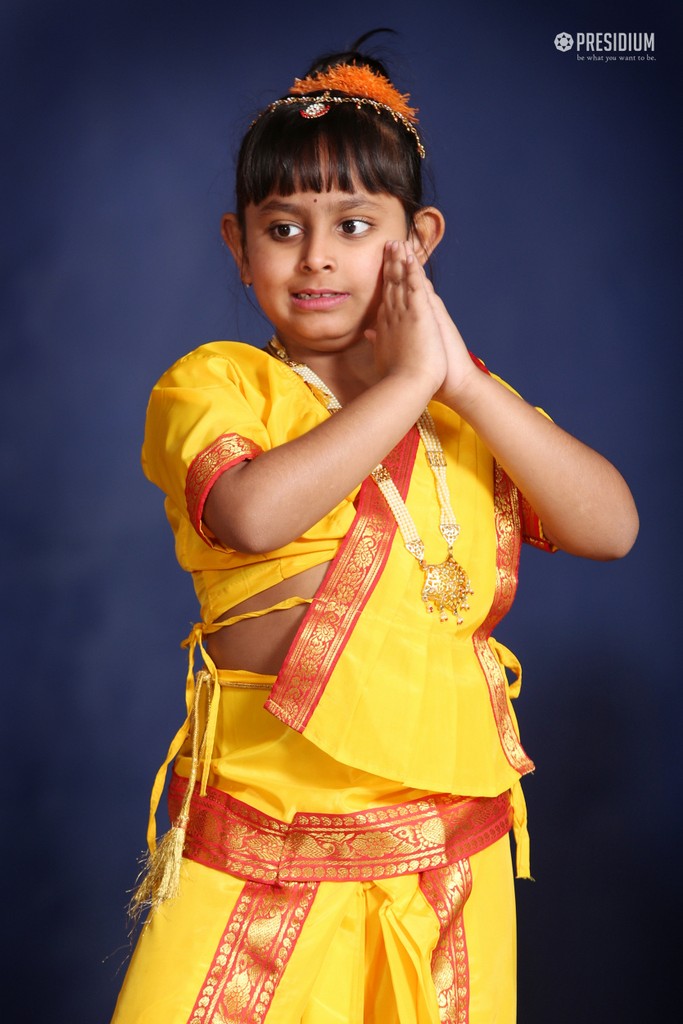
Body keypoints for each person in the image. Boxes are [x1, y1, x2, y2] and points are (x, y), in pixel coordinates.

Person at [111, 33, 638, 1024]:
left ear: (417, 240)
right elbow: (253, 514)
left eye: (353, 225)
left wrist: (463, 388)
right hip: (260, 841)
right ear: (237, 245)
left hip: (447, 855)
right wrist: (405, 384)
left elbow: (610, 526)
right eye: (282, 229)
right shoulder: (220, 382)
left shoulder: (468, 408)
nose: (316, 257)